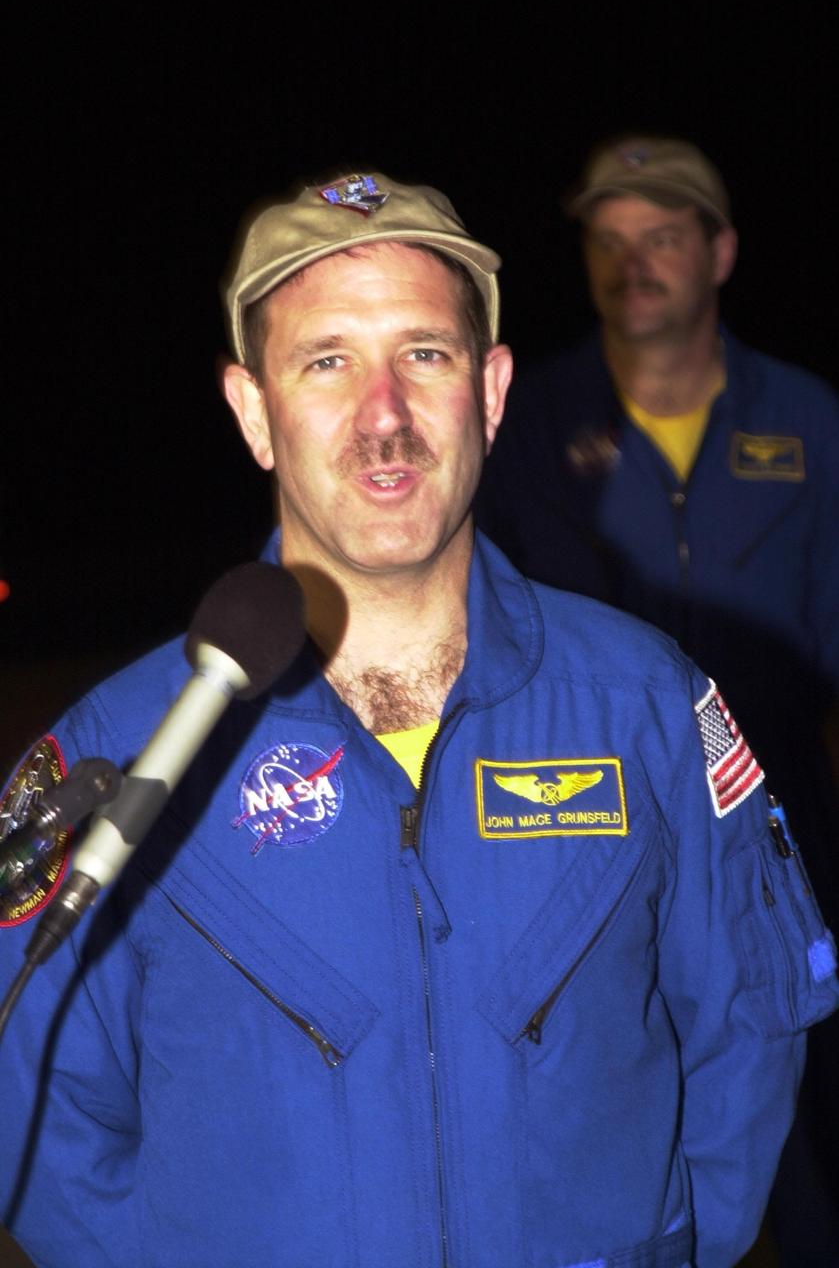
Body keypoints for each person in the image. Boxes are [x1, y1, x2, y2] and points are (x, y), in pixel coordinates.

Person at [0, 169, 836, 1268]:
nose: (383, 414)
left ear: (489, 392)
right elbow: (38, 1105)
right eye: (326, 360)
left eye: (424, 355)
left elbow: (750, 1023)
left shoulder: (643, 706)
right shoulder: (124, 751)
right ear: (253, 410)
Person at [475, 134, 839, 1259]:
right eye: (607, 239)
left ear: (718, 252)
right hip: (594, 841)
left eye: (663, 236)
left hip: (789, 832)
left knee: (808, 1130)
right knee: (624, 1124)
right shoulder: (523, 424)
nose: (632, 262)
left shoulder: (809, 418)